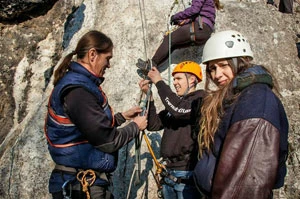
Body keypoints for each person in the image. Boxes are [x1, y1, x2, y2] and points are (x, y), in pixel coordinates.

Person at [44, 30, 148, 199]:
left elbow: (89, 127)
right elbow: (108, 141)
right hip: (81, 187)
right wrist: (135, 126)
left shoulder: (79, 85)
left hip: (83, 183)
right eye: (107, 58)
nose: (109, 65)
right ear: (93, 55)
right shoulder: (78, 92)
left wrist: (122, 117)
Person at [193, 30, 289, 198]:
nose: (217, 75)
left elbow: (244, 185)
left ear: (240, 62)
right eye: (212, 69)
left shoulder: (257, 101)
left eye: (223, 65)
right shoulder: (240, 97)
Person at [139, 61, 205, 199]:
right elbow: (154, 125)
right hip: (169, 173)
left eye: (178, 78)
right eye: (174, 79)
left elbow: (178, 110)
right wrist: (149, 99)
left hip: (187, 173)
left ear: (192, 79)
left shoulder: (201, 99)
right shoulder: (177, 105)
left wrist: (158, 81)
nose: (175, 82)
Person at [136, 0, 222, 76]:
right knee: (173, 46)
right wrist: (180, 21)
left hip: (199, 27)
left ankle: (152, 64)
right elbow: (197, 15)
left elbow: (194, 10)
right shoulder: (211, 4)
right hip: (204, 33)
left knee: (169, 39)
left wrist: (175, 16)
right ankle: (154, 68)